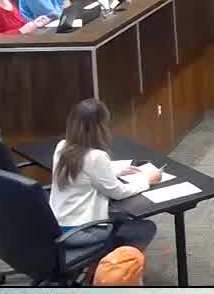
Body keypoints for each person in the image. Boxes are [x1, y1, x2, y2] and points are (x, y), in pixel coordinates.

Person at [49, 97, 159, 256]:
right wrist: (147, 180)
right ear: (100, 127)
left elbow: (84, 173)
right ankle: (111, 266)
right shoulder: (96, 157)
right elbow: (118, 192)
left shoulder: (62, 147)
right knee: (143, 228)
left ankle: (97, 261)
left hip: (55, 226)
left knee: (120, 216)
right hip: (81, 231)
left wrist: (116, 170)